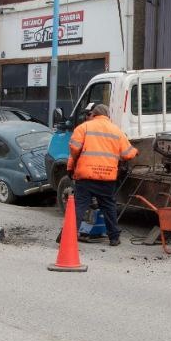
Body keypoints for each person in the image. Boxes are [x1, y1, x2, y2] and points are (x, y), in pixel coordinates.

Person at [67, 104, 138, 247]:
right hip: (107, 177)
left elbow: (74, 148)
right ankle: (114, 238)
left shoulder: (84, 128)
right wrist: (136, 151)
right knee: (109, 207)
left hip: (85, 176)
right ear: (107, 116)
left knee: (80, 207)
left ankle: (68, 236)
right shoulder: (116, 131)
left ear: (93, 114)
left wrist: (73, 163)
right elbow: (128, 154)